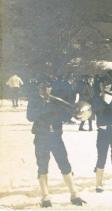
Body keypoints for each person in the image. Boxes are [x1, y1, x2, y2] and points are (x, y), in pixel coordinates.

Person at [26, 78, 86, 208]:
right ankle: (45, 196)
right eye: (43, 86)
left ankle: (74, 193)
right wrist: (45, 106)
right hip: (41, 137)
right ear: (39, 88)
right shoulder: (35, 101)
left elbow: (64, 116)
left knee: (64, 164)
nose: (46, 89)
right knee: (42, 166)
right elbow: (30, 116)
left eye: (48, 87)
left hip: (56, 137)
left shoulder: (56, 101)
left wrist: (74, 113)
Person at [92, 76, 112, 192]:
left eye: (108, 84)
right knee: (101, 156)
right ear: (100, 86)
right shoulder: (96, 98)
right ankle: (98, 184)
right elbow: (98, 110)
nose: (106, 86)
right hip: (103, 130)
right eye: (104, 84)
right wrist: (101, 97)